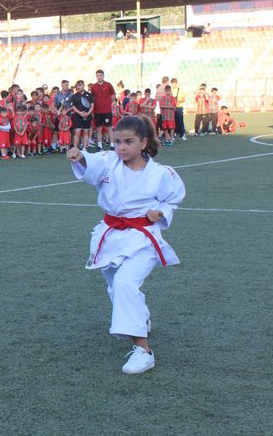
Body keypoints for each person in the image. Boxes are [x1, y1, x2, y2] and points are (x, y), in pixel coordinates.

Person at [67, 115, 185, 374]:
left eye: (128, 142)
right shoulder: (109, 163)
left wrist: (160, 212)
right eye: (117, 141)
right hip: (110, 236)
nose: (121, 147)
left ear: (143, 143)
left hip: (143, 238)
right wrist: (81, 156)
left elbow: (172, 198)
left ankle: (143, 350)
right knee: (114, 286)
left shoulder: (161, 174)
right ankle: (140, 317)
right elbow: (93, 163)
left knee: (124, 284)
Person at [90, 70, 116, 150]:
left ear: (103, 76)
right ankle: (99, 146)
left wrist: (111, 102)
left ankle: (112, 145)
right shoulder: (93, 86)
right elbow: (92, 97)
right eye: (97, 75)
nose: (99, 77)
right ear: (96, 76)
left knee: (109, 128)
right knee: (99, 129)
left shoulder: (108, 85)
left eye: (100, 75)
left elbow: (113, 94)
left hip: (107, 111)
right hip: (97, 111)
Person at [69, 80, 94, 151]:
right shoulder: (74, 96)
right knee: (77, 132)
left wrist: (88, 113)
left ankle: (84, 148)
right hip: (77, 116)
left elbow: (92, 105)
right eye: (77, 85)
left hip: (87, 116)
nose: (79, 87)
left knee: (86, 132)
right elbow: (73, 106)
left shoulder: (89, 95)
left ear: (83, 85)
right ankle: (75, 148)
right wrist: (80, 113)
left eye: (80, 85)